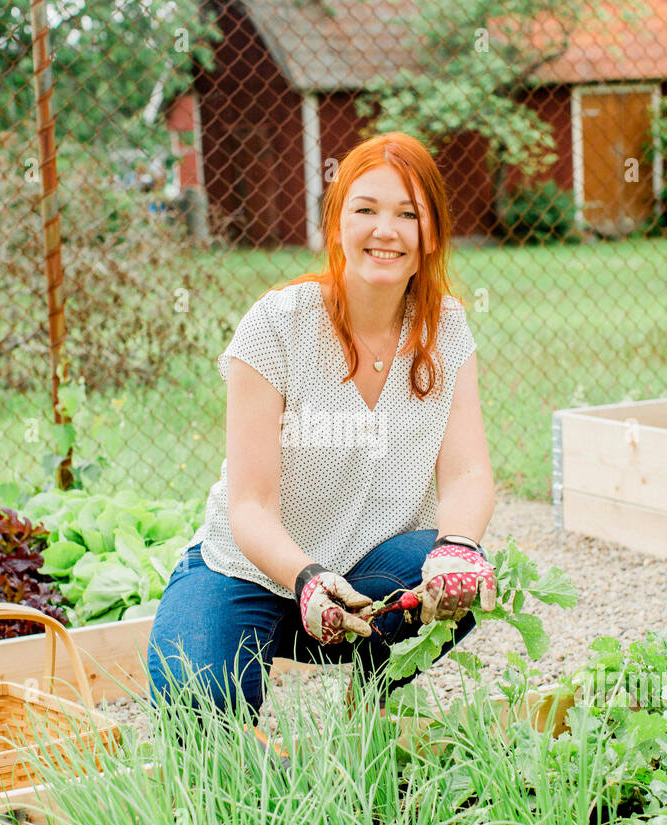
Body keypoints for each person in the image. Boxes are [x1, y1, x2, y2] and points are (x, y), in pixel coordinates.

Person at [147, 131, 496, 719]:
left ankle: (367, 719)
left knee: (454, 580)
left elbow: (467, 474)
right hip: (249, 572)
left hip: (364, 577)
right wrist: (306, 577)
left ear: (431, 233)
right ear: (337, 224)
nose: (385, 230)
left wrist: (458, 548)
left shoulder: (445, 330)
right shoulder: (278, 326)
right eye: (366, 210)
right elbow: (249, 506)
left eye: (407, 214)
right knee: (196, 700)